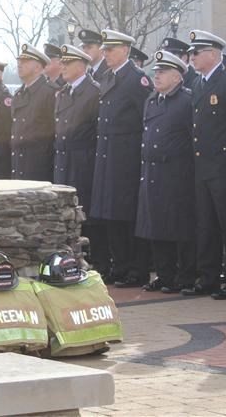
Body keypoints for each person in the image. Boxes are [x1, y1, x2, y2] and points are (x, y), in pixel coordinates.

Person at [184, 30, 226, 300]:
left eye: (197, 52)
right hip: (203, 166)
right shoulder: (197, 84)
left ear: (213, 53)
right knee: (206, 225)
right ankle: (208, 277)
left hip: (225, 167)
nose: (192, 57)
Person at [89, 30, 154, 287]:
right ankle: (121, 264)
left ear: (126, 50)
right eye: (104, 50)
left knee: (128, 215)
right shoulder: (107, 77)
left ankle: (137, 269)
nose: (106, 54)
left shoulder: (137, 79)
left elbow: (145, 119)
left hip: (127, 156)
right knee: (111, 214)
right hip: (108, 154)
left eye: (111, 49)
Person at [135, 51, 196, 293]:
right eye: (156, 72)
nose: (156, 76)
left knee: (179, 226)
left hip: (177, 172)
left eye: (162, 72)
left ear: (178, 77)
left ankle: (186, 274)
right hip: (152, 171)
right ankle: (165, 274)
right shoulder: (151, 100)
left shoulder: (187, 100)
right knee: (156, 226)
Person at [52, 44, 106, 275]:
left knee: (87, 215)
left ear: (82, 65)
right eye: (62, 62)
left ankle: (98, 261)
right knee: (65, 213)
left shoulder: (94, 92)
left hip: (84, 161)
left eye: (68, 63)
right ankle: (69, 259)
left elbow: (96, 131)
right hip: (64, 160)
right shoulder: (63, 93)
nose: (62, 67)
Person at [11, 44, 57, 181]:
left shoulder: (50, 92)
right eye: (19, 61)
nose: (19, 65)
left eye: (24, 62)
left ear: (38, 67)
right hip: (19, 166)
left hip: (40, 169)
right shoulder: (19, 94)